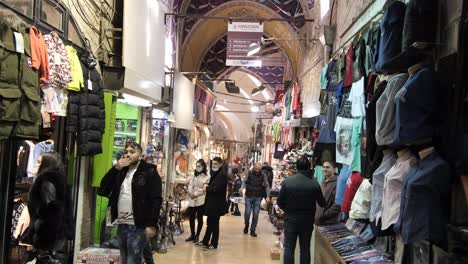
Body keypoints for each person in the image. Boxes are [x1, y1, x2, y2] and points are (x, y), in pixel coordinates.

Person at [98, 142, 162, 264]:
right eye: (126, 152)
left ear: (140, 155)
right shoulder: (121, 172)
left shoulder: (149, 172)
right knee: (125, 260)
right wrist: (115, 169)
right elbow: (103, 189)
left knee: (132, 261)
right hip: (122, 224)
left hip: (138, 225)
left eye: (132, 152)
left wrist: (152, 224)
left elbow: (156, 199)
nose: (128, 154)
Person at [277, 156, 326, 264]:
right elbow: (322, 203)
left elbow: (279, 201)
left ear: (297, 167)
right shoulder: (314, 183)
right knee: (305, 249)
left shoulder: (288, 181)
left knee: (289, 248)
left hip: (290, 220)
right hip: (307, 221)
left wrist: (288, 210)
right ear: (309, 167)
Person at [27, 152, 74, 262]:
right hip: (53, 240)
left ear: (46, 164)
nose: (35, 165)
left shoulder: (47, 181)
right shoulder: (54, 180)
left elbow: (52, 213)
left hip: (49, 241)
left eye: (39, 162)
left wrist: (41, 238)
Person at [196, 157, 227, 250]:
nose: (213, 165)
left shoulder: (221, 175)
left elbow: (217, 189)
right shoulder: (216, 173)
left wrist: (207, 188)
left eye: (216, 164)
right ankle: (205, 241)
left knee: (214, 224)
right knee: (210, 222)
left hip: (216, 204)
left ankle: (214, 243)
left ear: (220, 164)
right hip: (213, 203)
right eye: (213, 164)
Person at [243, 162, 270, 237]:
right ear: (253, 168)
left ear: (261, 169)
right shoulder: (249, 173)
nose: (257, 170)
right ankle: (247, 224)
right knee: (247, 213)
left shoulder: (263, 175)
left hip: (258, 197)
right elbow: (244, 181)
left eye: (259, 169)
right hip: (248, 196)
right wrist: (241, 187)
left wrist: (268, 196)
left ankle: (252, 230)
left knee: (256, 214)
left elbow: (267, 186)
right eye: (256, 169)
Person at [185, 159, 210, 243]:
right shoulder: (194, 175)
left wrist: (195, 194)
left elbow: (204, 190)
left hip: (200, 199)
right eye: (196, 166)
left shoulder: (207, 177)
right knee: (191, 217)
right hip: (192, 199)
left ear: (203, 167)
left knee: (199, 218)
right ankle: (192, 234)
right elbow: (190, 184)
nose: (197, 168)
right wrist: (190, 192)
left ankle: (197, 235)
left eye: (199, 166)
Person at [315, 161, 341, 226]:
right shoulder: (323, 181)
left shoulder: (338, 183)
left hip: (329, 222)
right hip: (319, 221)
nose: (324, 169)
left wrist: (324, 215)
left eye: (327, 167)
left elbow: (337, 204)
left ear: (334, 169)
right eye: (323, 167)